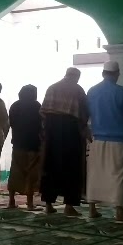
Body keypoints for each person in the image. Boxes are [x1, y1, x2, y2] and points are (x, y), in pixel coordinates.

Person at [85, 61, 123, 221]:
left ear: (103, 73)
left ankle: (92, 208)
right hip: (118, 140)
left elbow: (87, 115)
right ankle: (119, 211)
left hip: (97, 140)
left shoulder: (92, 92)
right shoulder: (122, 93)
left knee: (94, 174)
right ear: (116, 74)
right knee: (118, 175)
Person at [40, 67, 90, 216]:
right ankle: (69, 205)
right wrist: (84, 130)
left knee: (51, 167)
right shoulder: (78, 89)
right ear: (76, 77)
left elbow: (43, 112)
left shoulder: (52, 87)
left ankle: (48, 204)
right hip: (70, 132)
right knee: (72, 169)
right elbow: (83, 113)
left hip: (52, 132)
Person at [7, 84, 43, 210]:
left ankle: (11, 200)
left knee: (16, 172)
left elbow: (11, 123)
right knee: (31, 174)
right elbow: (41, 125)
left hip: (17, 143)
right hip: (33, 145)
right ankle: (30, 203)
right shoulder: (37, 106)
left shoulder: (15, 106)